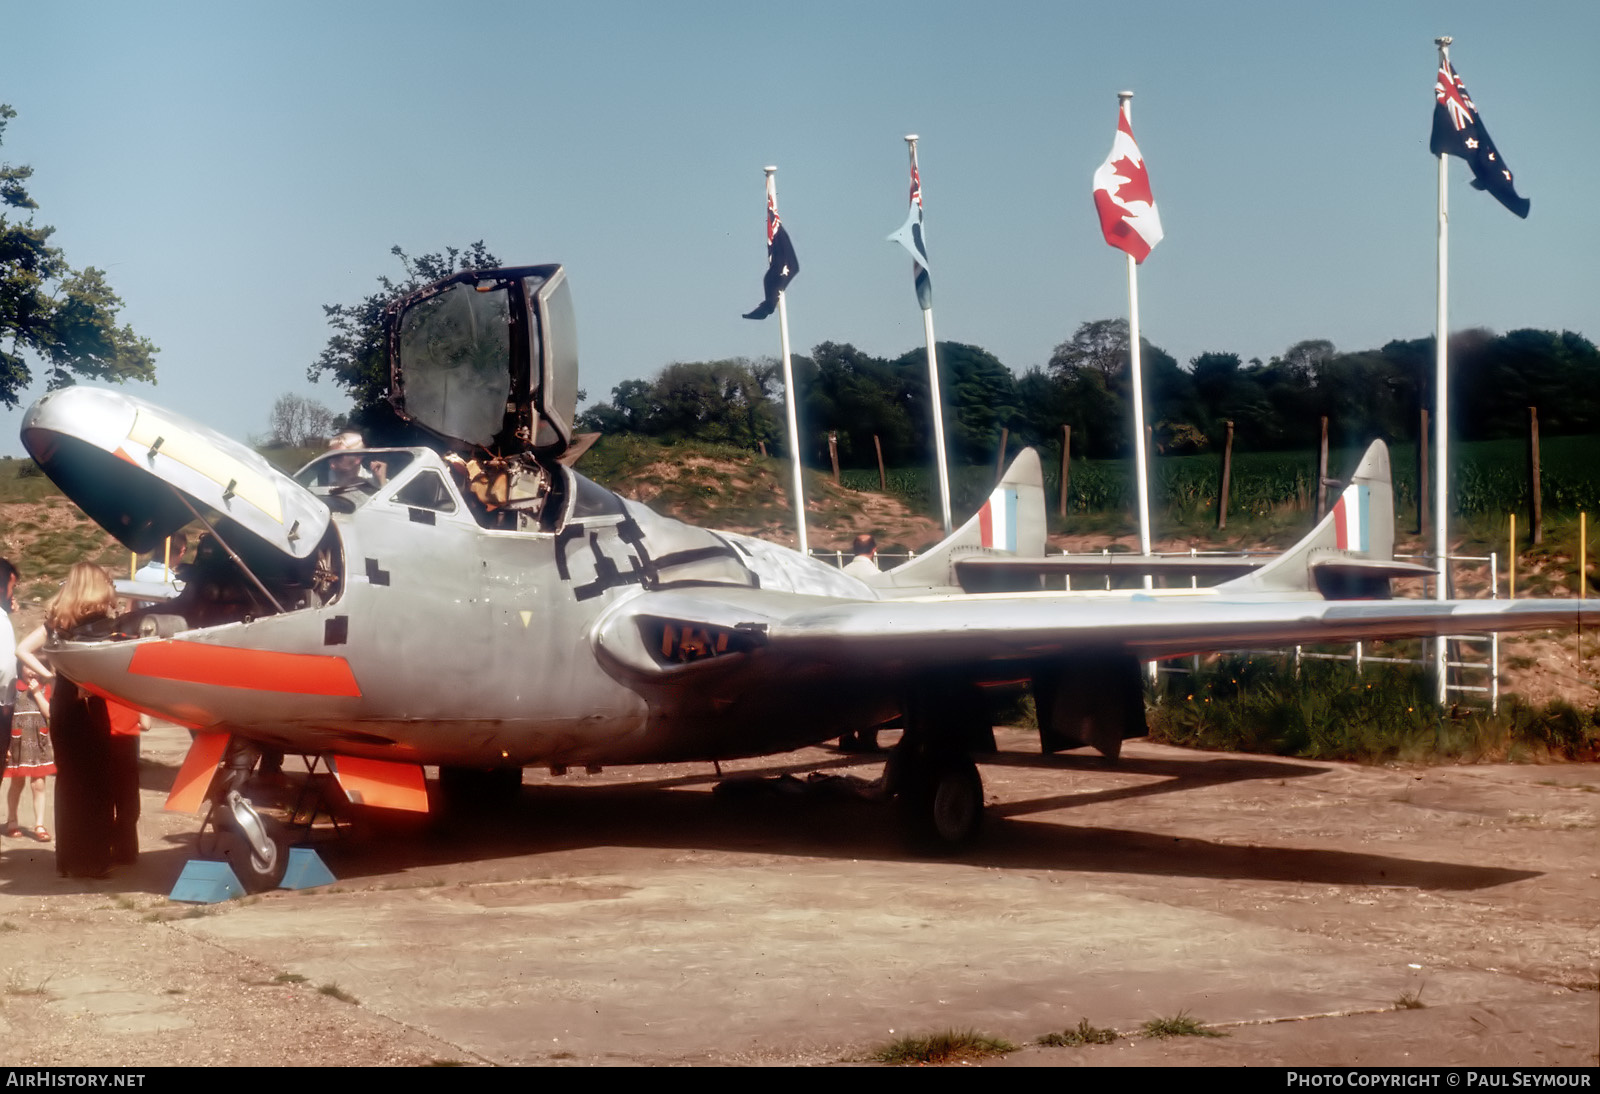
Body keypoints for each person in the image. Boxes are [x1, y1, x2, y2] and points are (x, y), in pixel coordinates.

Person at [17, 563, 121, 878]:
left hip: (63, 703)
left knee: (70, 782)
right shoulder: (103, 624)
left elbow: (22, 649)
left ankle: (70, 860)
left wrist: (52, 675)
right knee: (98, 782)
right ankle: (96, 860)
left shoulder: (57, 622)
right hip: (91, 704)